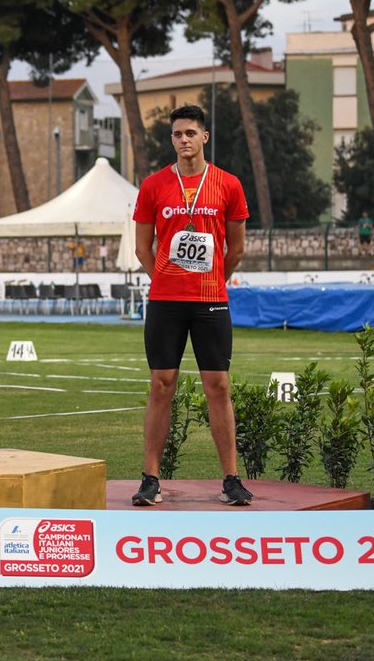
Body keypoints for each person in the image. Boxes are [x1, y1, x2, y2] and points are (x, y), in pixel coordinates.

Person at [131, 104, 251, 507]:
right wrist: (165, 278)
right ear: (172, 140)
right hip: (165, 300)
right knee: (160, 385)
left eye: (190, 133)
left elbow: (236, 249)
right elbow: (141, 247)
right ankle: (150, 478)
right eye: (177, 134)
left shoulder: (228, 185)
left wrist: (213, 277)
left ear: (205, 137)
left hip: (211, 301)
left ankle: (231, 479)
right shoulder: (152, 186)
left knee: (218, 387)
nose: (184, 140)